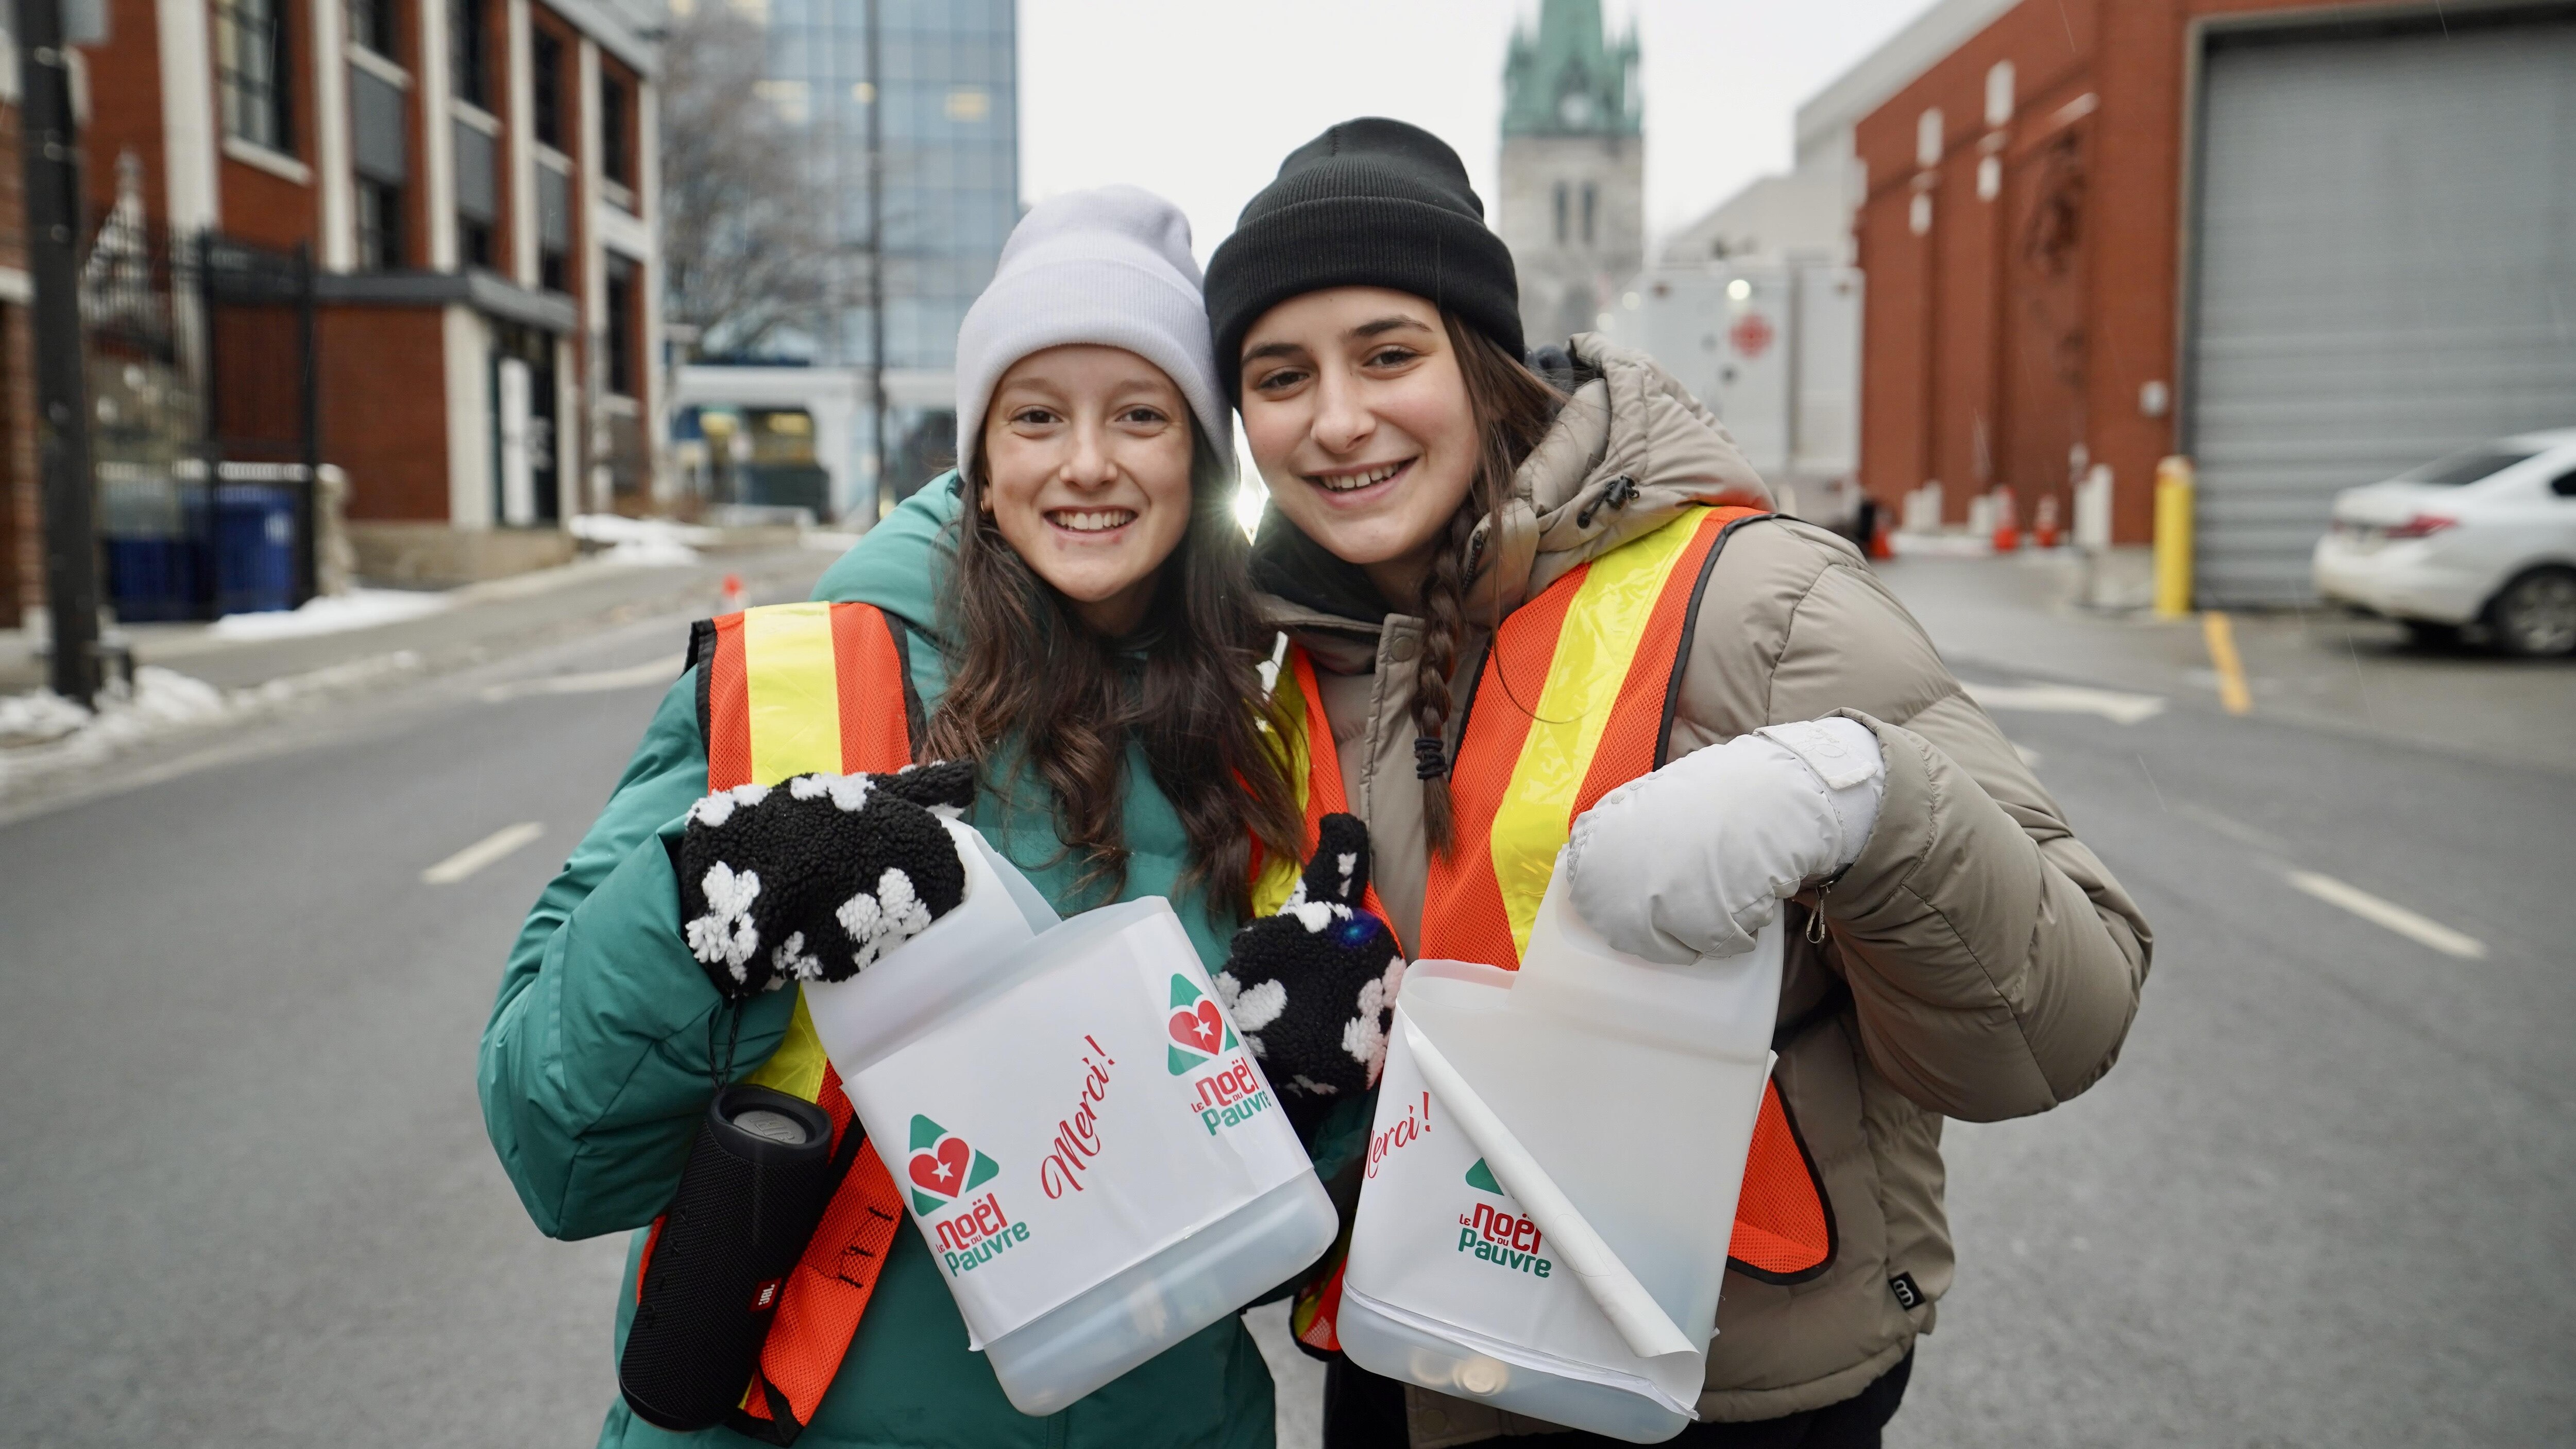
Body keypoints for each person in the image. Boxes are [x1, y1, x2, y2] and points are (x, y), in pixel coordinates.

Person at [1199, 118, 2153, 1449]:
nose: (1339, 417)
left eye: (1389, 353)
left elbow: (2062, 1020)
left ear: (1481, 363)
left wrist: (1863, 798)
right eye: (1280, 374)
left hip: (1720, 1377)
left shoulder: (1754, 596)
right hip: (1414, 1356)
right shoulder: (1294, 663)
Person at [480, 186, 1356, 1449]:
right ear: (982, 463)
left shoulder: (1263, 737)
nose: (1089, 462)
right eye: (1038, 415)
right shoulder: (801, 686)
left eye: (1141, 415)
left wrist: (1312, 1095)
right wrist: (697, 902)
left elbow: (1259, 1254)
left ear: (1200, 461)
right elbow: (551, 1149)